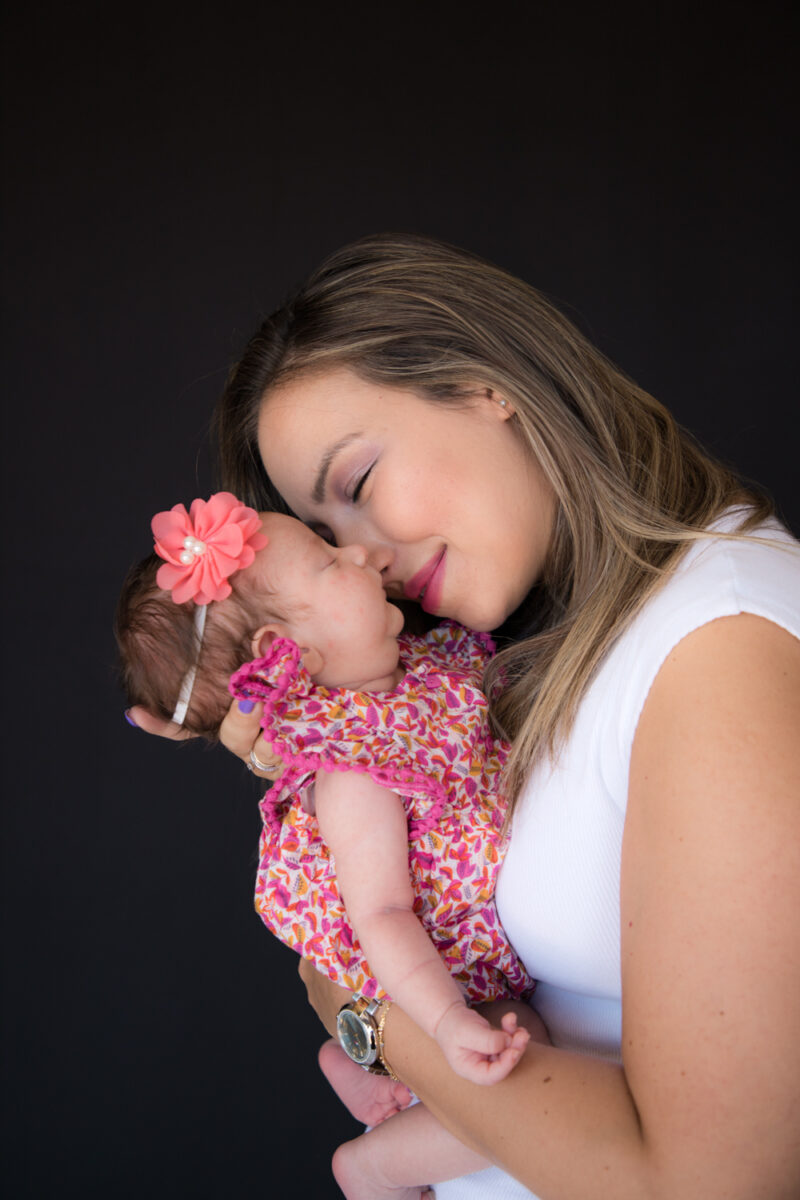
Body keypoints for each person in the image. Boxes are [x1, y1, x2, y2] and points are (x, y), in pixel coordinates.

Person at [130, 234, 800, 1199]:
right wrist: (321, 782)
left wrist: (359, 996)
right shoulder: (545, 648)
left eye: (357, 485)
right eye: (327, 539)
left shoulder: (721, 644)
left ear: (486, 383)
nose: (372, 560)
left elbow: (712, 1184)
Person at [117, 494, 534, 1199]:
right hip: (438, 974)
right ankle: (372, 1166)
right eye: (330, 559)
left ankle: (353, 1068)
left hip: (446, 961)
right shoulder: (352, 772)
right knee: (526, 1074)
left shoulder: (414, 678)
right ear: (284, 651)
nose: (365, 554)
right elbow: (381, 915)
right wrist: (448, 1022)